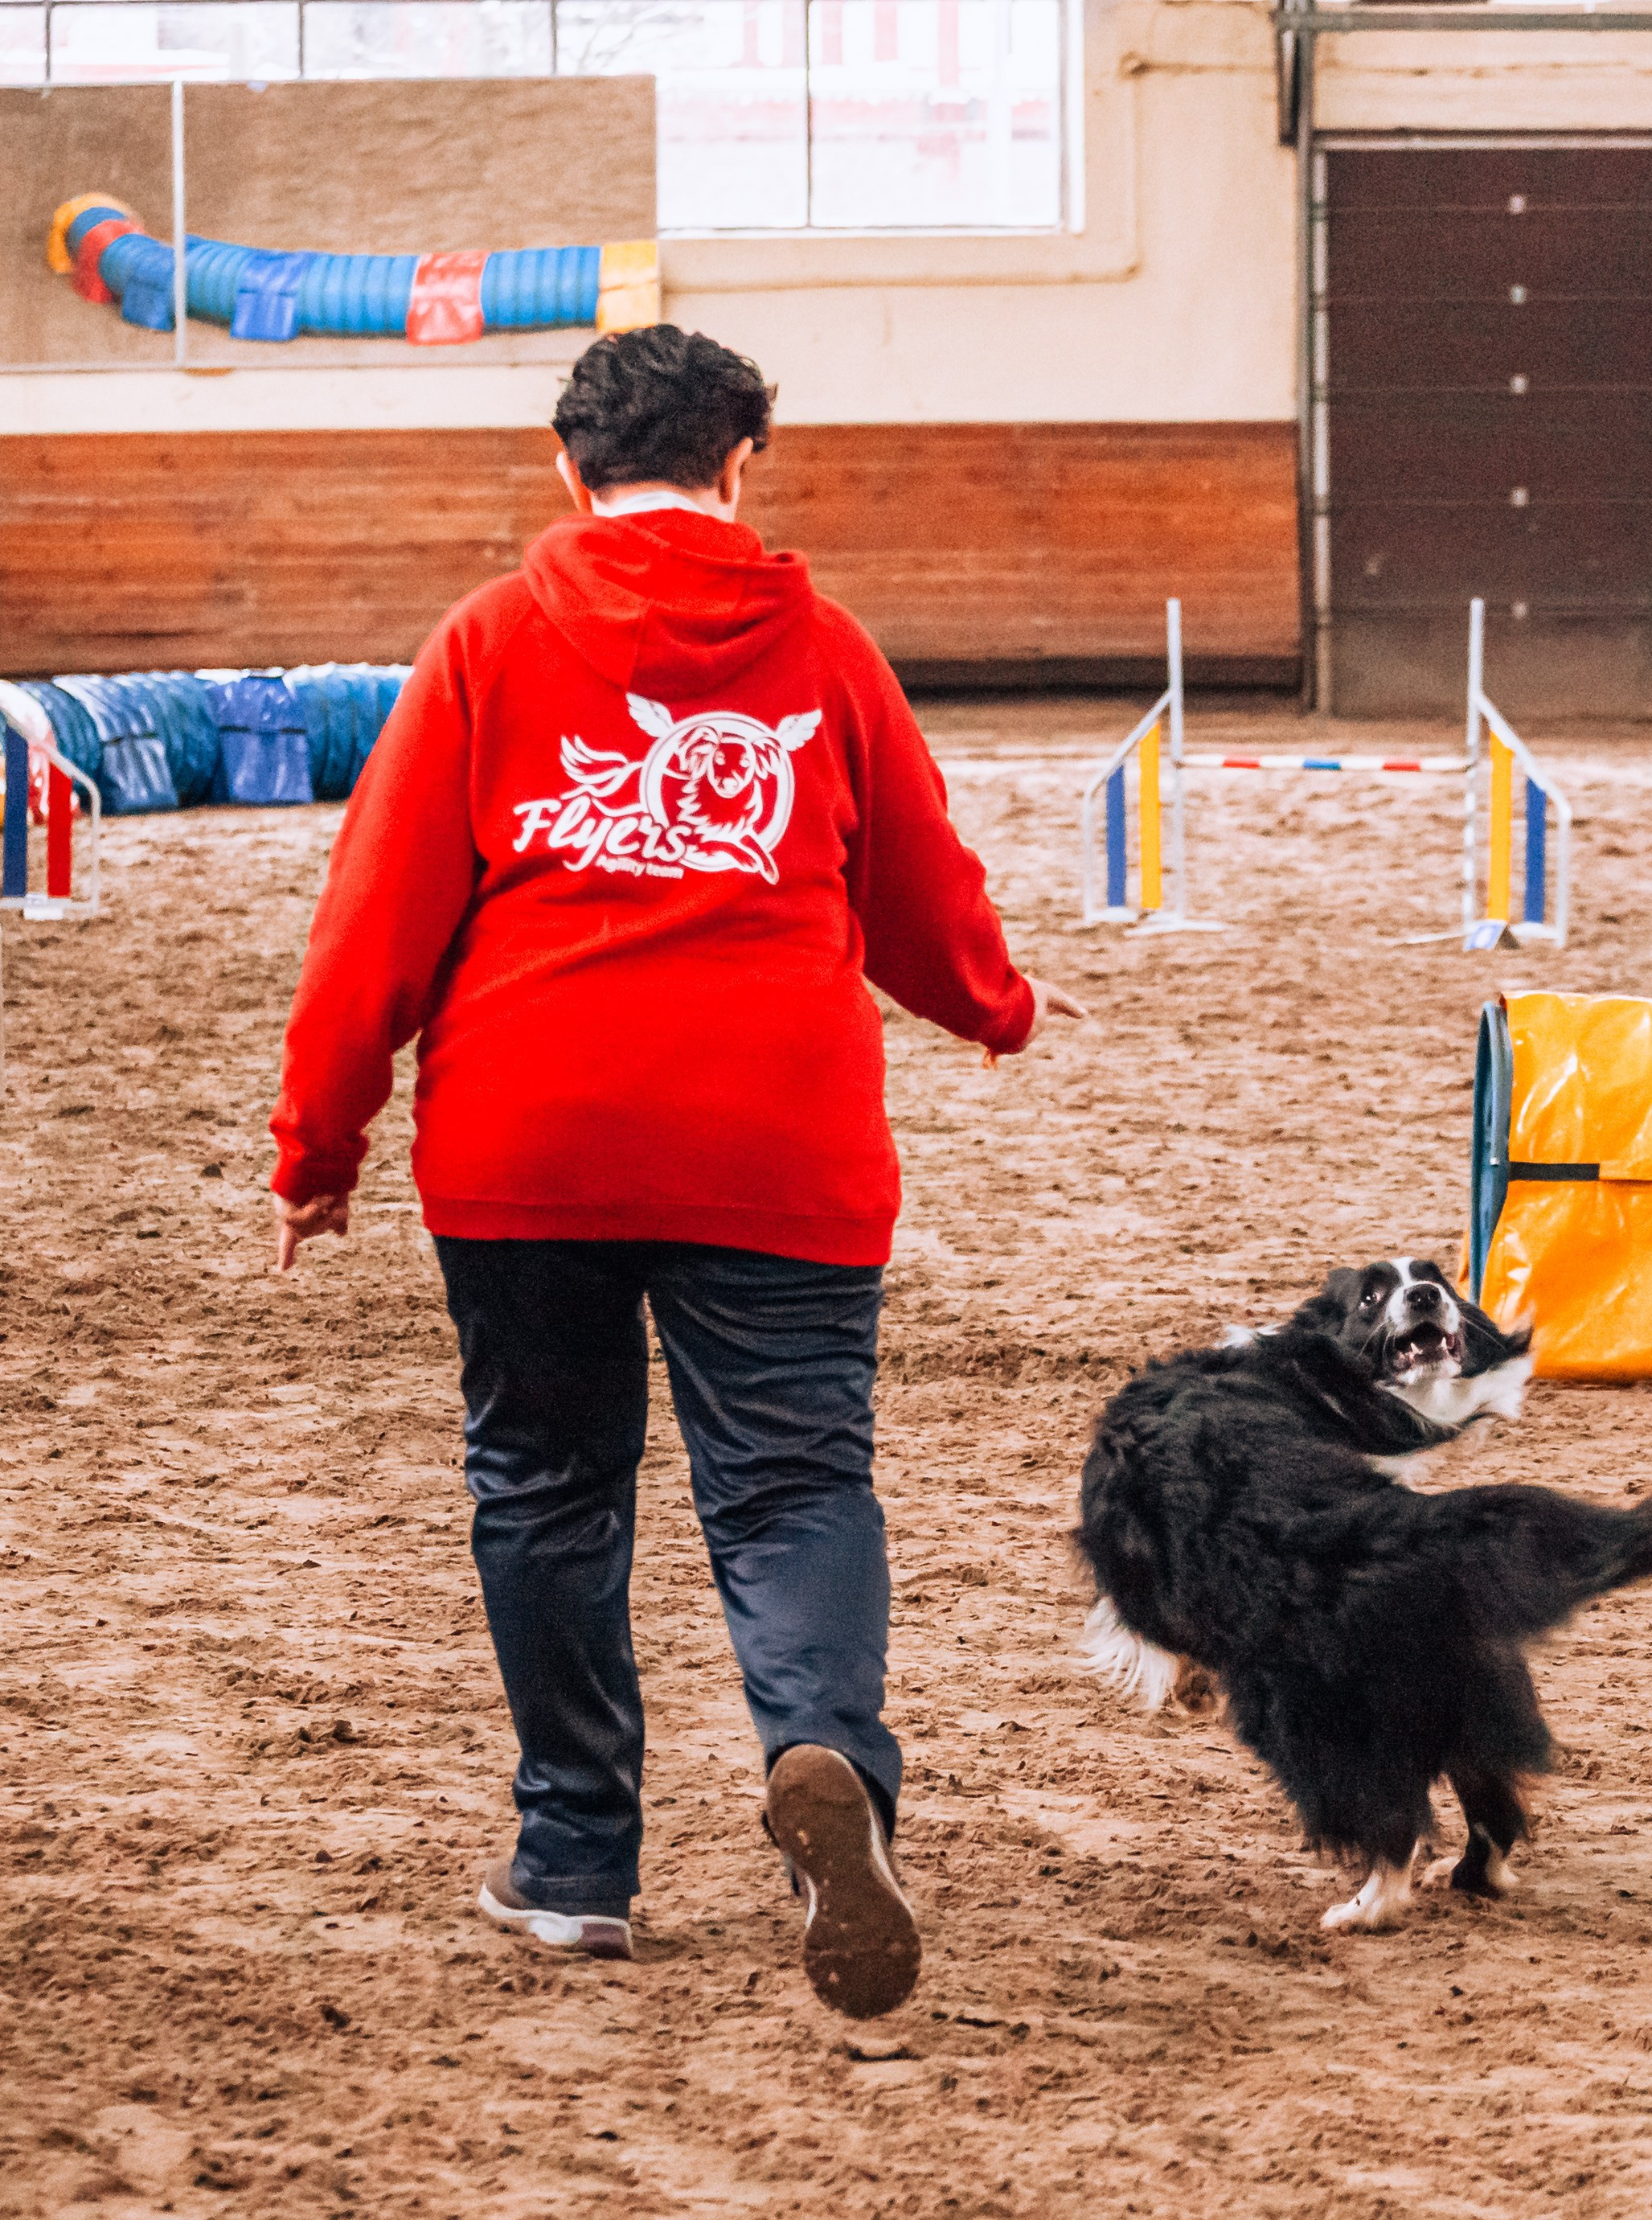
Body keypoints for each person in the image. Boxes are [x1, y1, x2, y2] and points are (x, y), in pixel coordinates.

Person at [268, 324, 1084, 2023]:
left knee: (549, 1487)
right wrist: (997, 1008)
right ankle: (822, 1759)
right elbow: (919, 896)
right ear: (739, 468)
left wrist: (319, 1145)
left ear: (567, 471)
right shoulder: (830, 652)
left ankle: (573, 1866)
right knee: (793, 1483)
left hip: (527, 1138)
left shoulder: (486, 643)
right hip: (773, 1139)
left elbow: (376, 924)